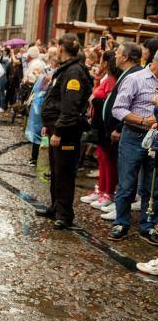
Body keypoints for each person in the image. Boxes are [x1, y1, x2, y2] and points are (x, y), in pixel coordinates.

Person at [35, 34, 93, 229]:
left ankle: (65, 215)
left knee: (64, 173)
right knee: (56, 171)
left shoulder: (74, 72)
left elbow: (70, 107)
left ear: (61, 48)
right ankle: (56, 208)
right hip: (55, 128)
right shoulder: (66, 69)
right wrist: (48, 124)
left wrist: (58, 131)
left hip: (66, 131)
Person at [107, 44, 158, 244]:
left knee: (152, 186)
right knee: (127, 184)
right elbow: (118, 109)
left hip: (155, 139)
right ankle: (121, 223)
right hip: (134, 136)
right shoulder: (135, 79)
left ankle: (148, 225)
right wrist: (143, 121)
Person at [80, 50, 119, 209]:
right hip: (99, 123)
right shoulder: (105, 77)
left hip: (105, 125)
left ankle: (108, 192)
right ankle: (102, 188)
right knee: (102, 158)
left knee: (108, 159)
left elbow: (109, 100)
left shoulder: (112, 79)